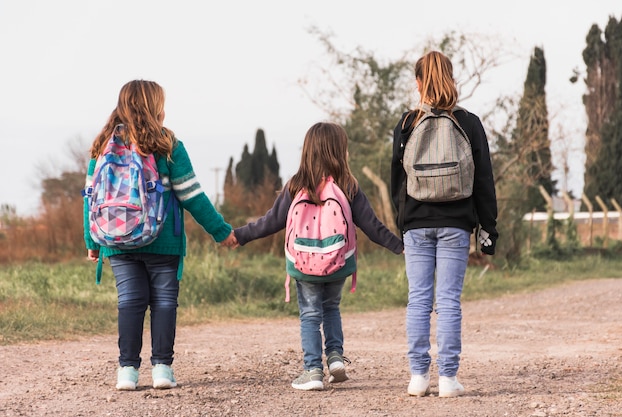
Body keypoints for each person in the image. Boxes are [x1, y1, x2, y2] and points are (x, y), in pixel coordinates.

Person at [83, 80, 237, 391]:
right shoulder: (168, 145)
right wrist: (221, 232)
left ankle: (127, 372)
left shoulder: (103, 146)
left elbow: (90, 197)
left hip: (115, 240)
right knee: (164, 302)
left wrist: (92, 241)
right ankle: (162, 370)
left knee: (129, 302)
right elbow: (192, 195)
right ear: (156, 108)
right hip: (162, 239)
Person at [229, 122, 404, 391]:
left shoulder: (296, 185)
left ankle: (312, 370)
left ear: (308, 150)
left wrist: (240, 235)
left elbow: (271, 221)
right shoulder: (348, 185)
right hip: (338, 261)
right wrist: (400, 246)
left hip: (304, 263)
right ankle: (335, 358)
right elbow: (372, 225)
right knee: (331, 307)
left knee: (310, 314)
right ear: (339, 150)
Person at [390, 51, 498, 398]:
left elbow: (397, 181)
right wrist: (488, 229)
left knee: (419, 300)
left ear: (419, 82)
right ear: (451, 78)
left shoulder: (407, 123)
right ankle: (449, 379)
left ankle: (419, 377)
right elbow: (483, 182)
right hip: (456, 222)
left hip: (417, 224)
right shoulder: (468, 123)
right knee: (449, 300)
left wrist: (402, 223)